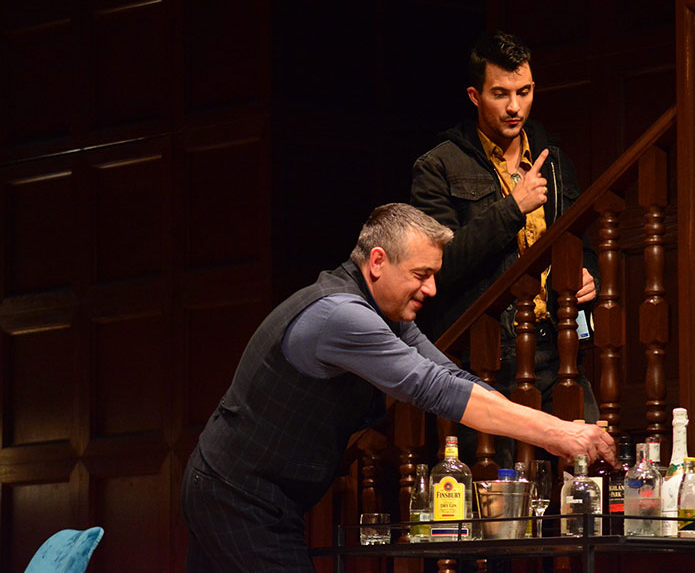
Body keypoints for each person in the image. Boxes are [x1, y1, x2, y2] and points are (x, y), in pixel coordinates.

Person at [181, 203, 614, 572]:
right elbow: (433, 389)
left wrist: (553, 427)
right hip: (236, 493)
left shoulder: (387, 314)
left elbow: (452, 377)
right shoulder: (342, 316)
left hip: (254, 494)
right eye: (421, 274)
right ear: (377, 262)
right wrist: (556, 434)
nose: (432, 288)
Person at [410, 31, 600, 469]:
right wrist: (512, 209)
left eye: (524, 92)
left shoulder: (554, 161)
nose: (515, 106)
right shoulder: (439, 166)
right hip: (487, 356)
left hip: (557, 345)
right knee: (499, 491)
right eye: (501, 94)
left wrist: (589, 274)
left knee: (588, 470)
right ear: (475, 96)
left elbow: (581, 243)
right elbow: (438, 265)